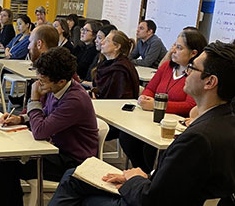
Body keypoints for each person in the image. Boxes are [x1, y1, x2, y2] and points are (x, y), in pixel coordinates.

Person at [49, 41, 235, 206]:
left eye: (193, 67)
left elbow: (152, 199)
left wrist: (134, 180)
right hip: (161, 190)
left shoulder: (198, 138)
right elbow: (180, 180)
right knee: (75, 176)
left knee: (74, 182)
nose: (187, 70)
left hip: (149, 198)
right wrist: (142, 177)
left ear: (210, 82)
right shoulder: (224, 122)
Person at [0, 47, 99, 206]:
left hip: (73, 161)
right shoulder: (58, 88)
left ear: (61, 82)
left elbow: (40, 131)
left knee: (8, 163)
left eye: (42, 81)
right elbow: (46, 112)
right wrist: (21, 119)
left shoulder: (75, 100)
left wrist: (34, 98)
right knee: (7, 161)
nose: (38, 84)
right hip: (55, 149)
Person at [119, 29, 207, 173]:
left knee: (150, 148)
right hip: (152, 118)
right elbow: (150, 88)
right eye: (174, 46)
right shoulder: (167, 67)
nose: (173, 51)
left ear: (194, 53)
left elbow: (189, 105)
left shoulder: (194, 75)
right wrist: (145, 97)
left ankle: (150, 176)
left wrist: (157, 105)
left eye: (179, 48)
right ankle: (141, 172)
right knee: (127, 137)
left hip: (175, 123)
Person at [91, 30, 139, 100]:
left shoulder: (120, 69)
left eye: (107, 41)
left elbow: (116, 98)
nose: (102, 42)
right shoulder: (105, 63)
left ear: (117, 47)